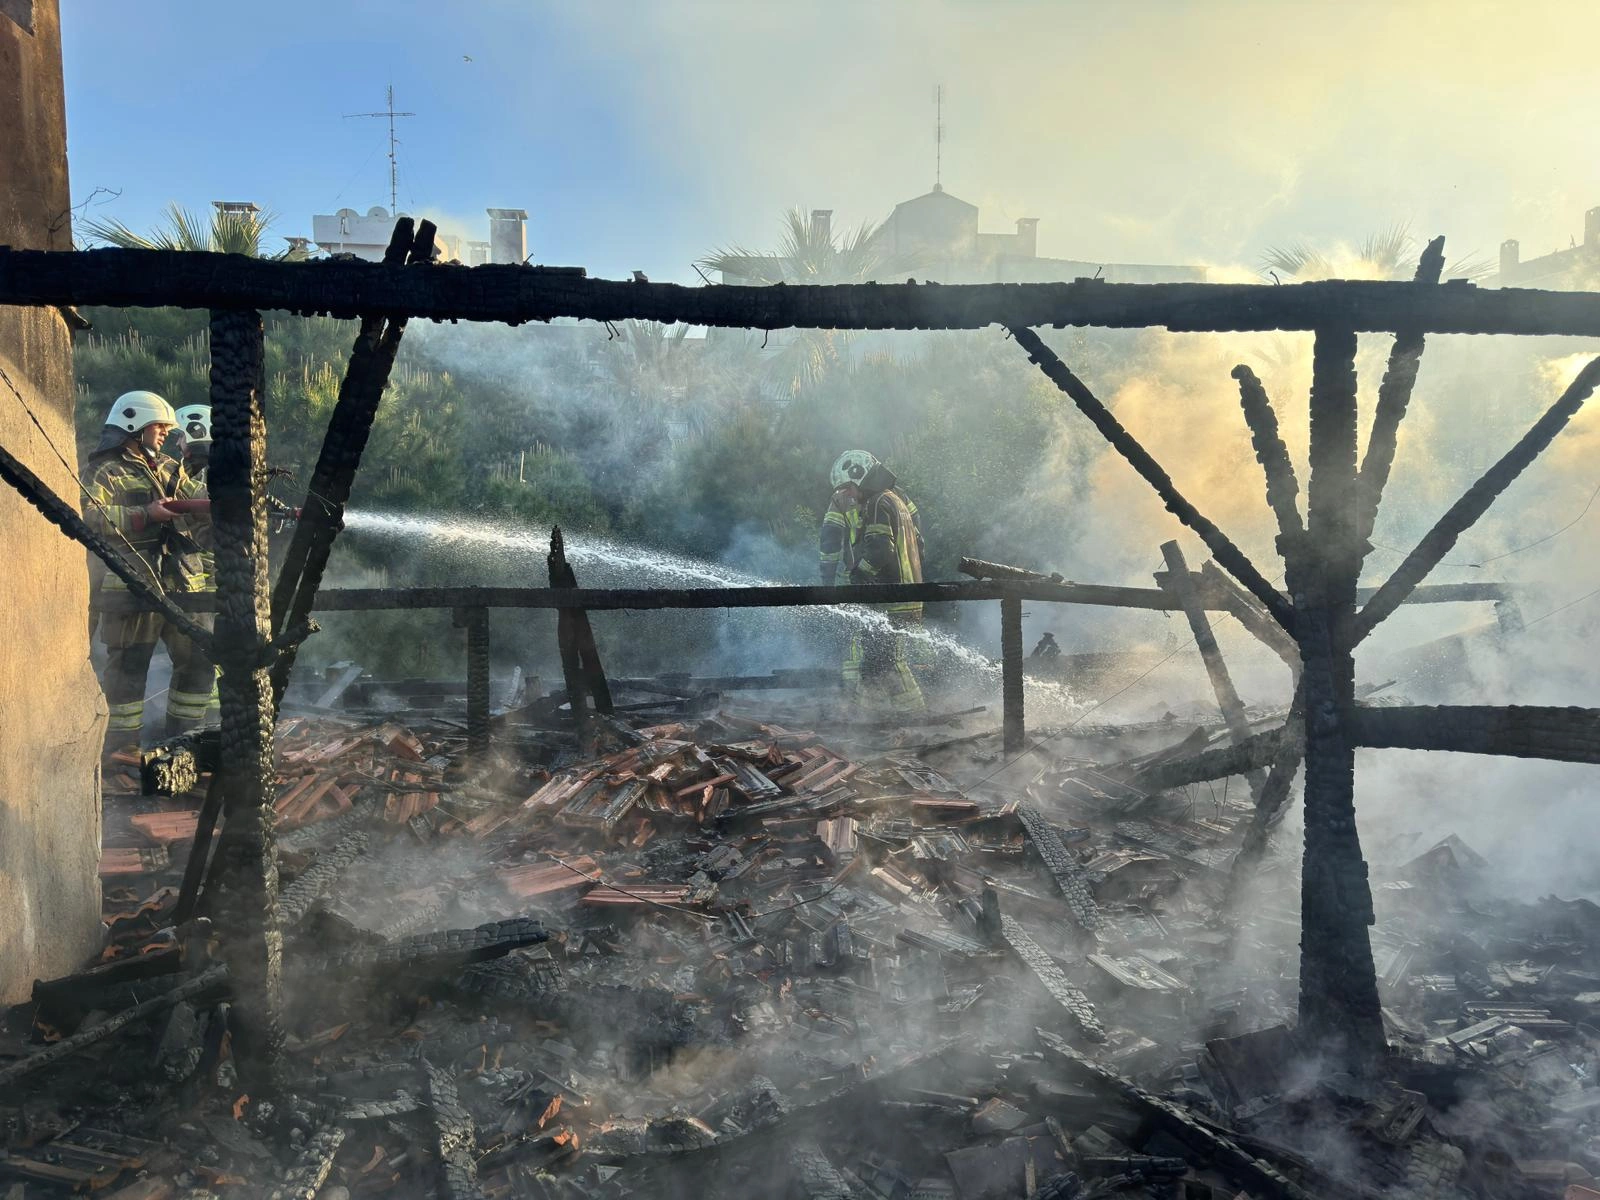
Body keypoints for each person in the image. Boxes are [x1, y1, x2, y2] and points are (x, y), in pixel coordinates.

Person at [82, 390, 215, 757]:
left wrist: (228, 512)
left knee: (200, 663)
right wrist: (146, 515)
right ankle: (121, 755)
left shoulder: (171, 468)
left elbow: (199, 507)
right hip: (131, 588)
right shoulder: (103, 472)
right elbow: (91, 519)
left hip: (183, 585)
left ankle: (184, 745)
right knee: (128, 671)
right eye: (158, 426)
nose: (164, 434)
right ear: (132, 425)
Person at [828, 449, 927, 714]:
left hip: (894, 598)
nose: (847, 496)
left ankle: (915, 716)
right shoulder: (894, 499)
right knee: (874, 662)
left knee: (890, 662)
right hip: (902, 593)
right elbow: (919, 545)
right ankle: (869, 716)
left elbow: (881, 549)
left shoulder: (877, 502)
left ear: (859, 479)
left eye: (848, 488)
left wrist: (859, 576)